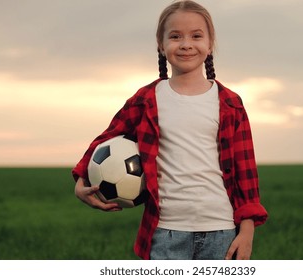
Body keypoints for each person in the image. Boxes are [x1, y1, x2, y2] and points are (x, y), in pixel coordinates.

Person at [73, 0, 268, 260]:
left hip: (221, 230)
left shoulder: (230, 103)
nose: (186, 44)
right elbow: (107, 138)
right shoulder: (147, 99)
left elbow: (245, 171)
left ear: (210, 44)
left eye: (196, 36)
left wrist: (247, 231)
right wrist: (80, 179)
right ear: (161, 44)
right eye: (175, 36)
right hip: (165, 232)